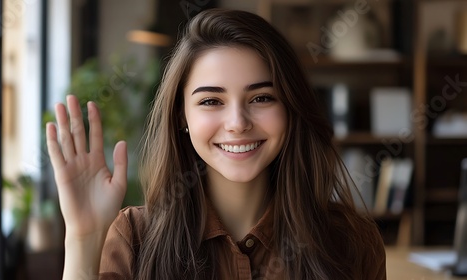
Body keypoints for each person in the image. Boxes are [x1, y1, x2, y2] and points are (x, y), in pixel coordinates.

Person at [46, 8, 386, 280]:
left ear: (291, 108)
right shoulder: (135, 239)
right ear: (182, 116)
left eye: (262, 97)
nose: (238, 123)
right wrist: (83, 236)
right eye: (211, 101)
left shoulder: (351, 241)